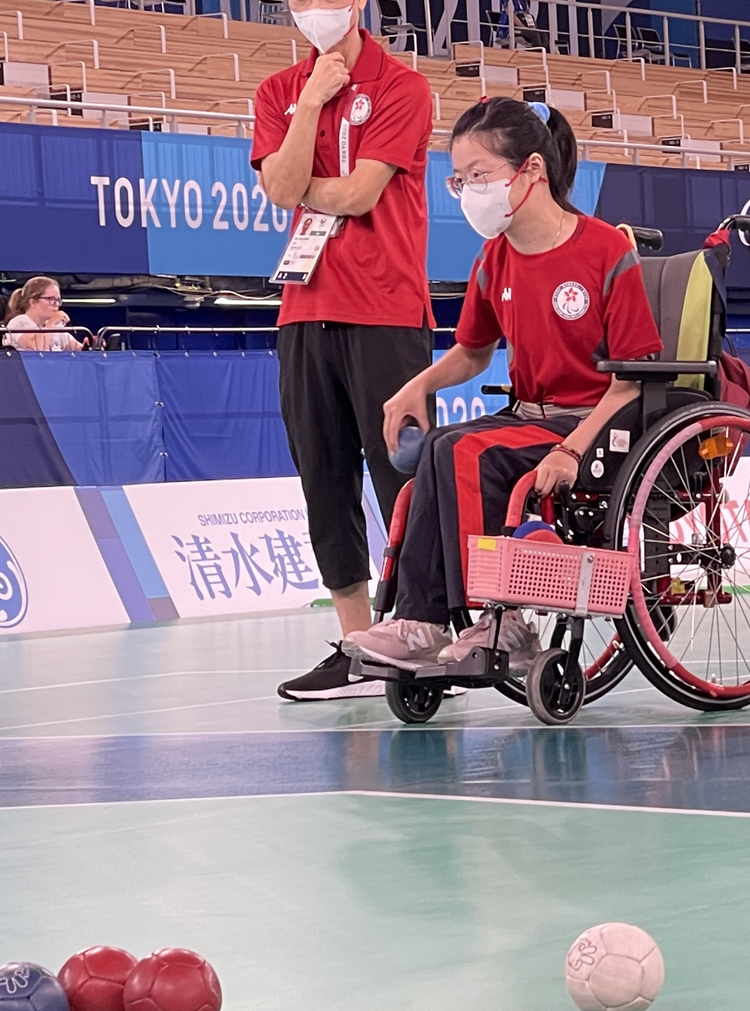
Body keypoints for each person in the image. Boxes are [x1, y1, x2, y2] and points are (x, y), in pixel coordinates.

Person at [340, 98, 662, 671]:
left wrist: (570, 448)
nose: (467, 192)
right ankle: (419, 620)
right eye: (458, 180)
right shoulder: (494, 258)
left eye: (479, 176)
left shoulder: (606, 250)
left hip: (595, 421)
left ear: (532, 170)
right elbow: (472, 350)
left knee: (466, 451)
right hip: (528, 416)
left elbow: (633, 381)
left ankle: (502, 618)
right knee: (440, 446)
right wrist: (416, 386)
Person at [253, 0, 436, 701]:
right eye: (296, 1)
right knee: (322, 478)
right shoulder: (278, 91)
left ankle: (419, 628)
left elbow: (361, 194)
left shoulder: (402, 87)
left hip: (386, 308)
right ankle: (359, 646)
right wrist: (310, 103)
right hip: (304, 311)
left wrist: (304, 184)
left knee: (405, 477)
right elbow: (277, 188)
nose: (309, 10)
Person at [3, 277, 87, 352]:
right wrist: (52, 322)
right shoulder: (18, 323)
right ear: (33, 302)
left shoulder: (56, 327)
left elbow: (78, 349)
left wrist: (89, 344)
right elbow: (37, 348)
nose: (56, 304)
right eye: (51, 299)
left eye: (58, 300)